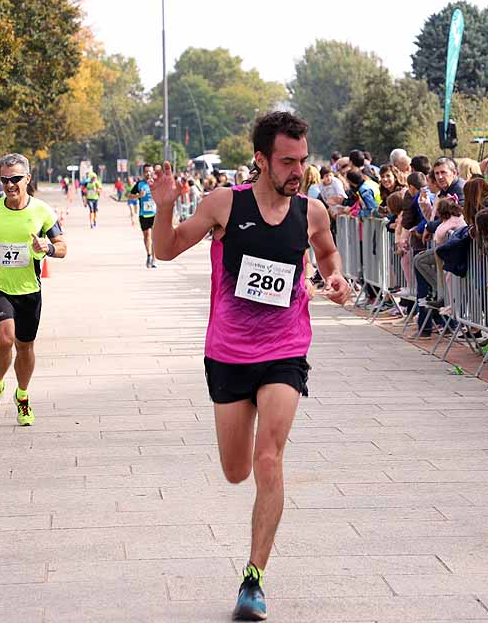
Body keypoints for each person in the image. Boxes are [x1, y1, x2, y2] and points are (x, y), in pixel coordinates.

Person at [147, 112, 352, 621]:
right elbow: (166, 250)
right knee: (236, 471)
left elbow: (327, 257)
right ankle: (252, 558)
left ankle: (253, 579)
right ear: (260, 159)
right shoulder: (224, 204)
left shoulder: (312, 212)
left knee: (268, 460)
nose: (297, 171)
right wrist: (166, 208)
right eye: (287, 161)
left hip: (286, 348)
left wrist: (337, 280)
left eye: (303, 161)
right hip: (228, 353)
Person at [0, 153, 66, 427]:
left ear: (27, 179)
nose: (10, 185)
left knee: (25, 346)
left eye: (15, 179)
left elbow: (62, 247)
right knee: (6, 339)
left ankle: (22, 396)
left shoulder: (42, 211)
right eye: (4, 180)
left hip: (29, 290)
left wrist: (47, 248)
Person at [126, 165, 158, 268]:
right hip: (144, 214)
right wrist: (138, 196)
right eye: (146, 172)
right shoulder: (140, 184)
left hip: (155, 214)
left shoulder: (157, 183)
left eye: (150, 171)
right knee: (147, 236)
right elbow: (128, 195)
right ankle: (148, 255)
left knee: (154, 237)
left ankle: (154, 259)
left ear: (153, 172)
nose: (148, 173)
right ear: (143, 173)